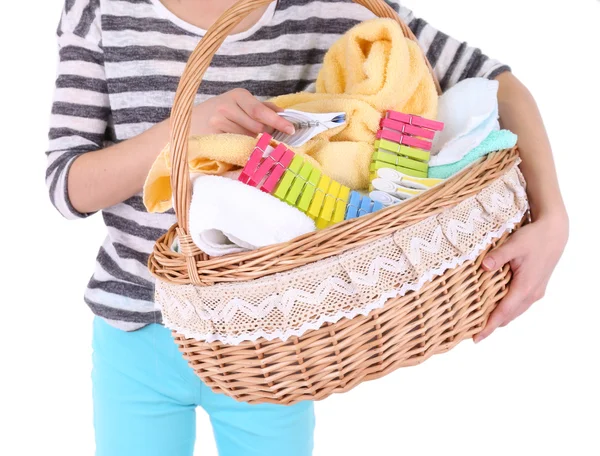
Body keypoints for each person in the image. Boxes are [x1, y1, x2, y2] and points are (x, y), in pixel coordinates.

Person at [45, 0, 569, 455]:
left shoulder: (332, 10)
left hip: (270, 342)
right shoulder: (101, 11)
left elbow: (497, 85)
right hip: (135, 333)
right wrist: (184, 131)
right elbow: (66, 186)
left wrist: (553, 219)